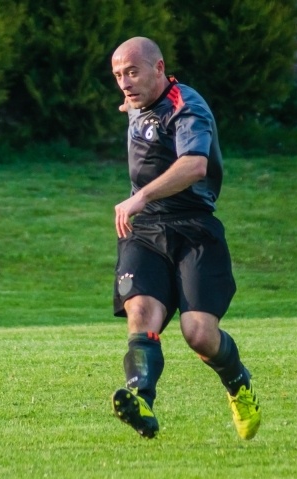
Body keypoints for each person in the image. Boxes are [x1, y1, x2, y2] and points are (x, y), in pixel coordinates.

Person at [108, 36, 261, 440]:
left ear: (159, 69)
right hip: (145, 232)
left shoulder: (187, 105)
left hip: (194, 229)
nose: (125, 83)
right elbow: (138, 111)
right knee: (141, 315)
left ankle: (239, 384)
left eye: (133, 72)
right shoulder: (139, 100)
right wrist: (132, 103)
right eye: (118, 75)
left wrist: (139, 195)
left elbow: (194, 165)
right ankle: (139, 398)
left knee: (198, 334)